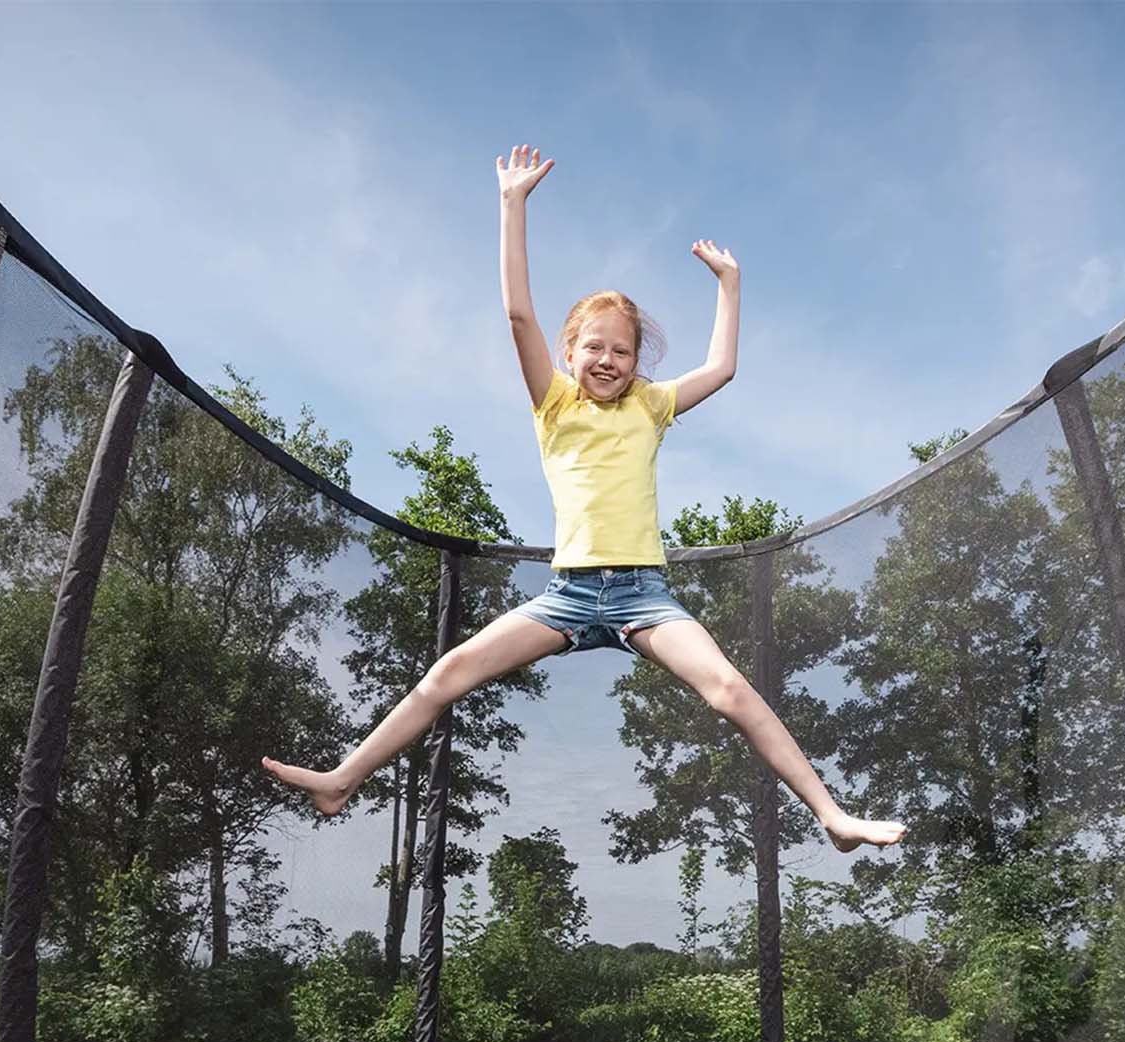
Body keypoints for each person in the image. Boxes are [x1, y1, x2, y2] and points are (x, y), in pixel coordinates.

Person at [263, 144, 906, 855]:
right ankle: (342, 778)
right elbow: (516, 315)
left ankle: (830, 814)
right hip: (568, 595)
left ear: (639, 361)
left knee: (727, 689)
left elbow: (722, 367)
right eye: (593, 348)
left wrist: (729, 283)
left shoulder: (651, 406)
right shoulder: (554, 404)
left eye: (622, 352)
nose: (607, 361)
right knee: (448, 673)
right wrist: (513, 205)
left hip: (643, 595)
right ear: (571, 352)